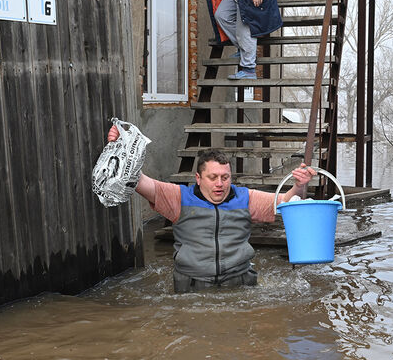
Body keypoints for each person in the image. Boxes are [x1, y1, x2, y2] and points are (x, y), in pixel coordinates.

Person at [106, 123, 316, 292]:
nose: (220, 183)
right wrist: (121, 146)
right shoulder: (178, 197)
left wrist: (299, 185)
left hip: (239, 284)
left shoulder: (245, 198)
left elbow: (286, 204)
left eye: (225, 177)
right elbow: (139, 181)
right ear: (198, 178)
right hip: (191, 286)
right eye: (212, 177)